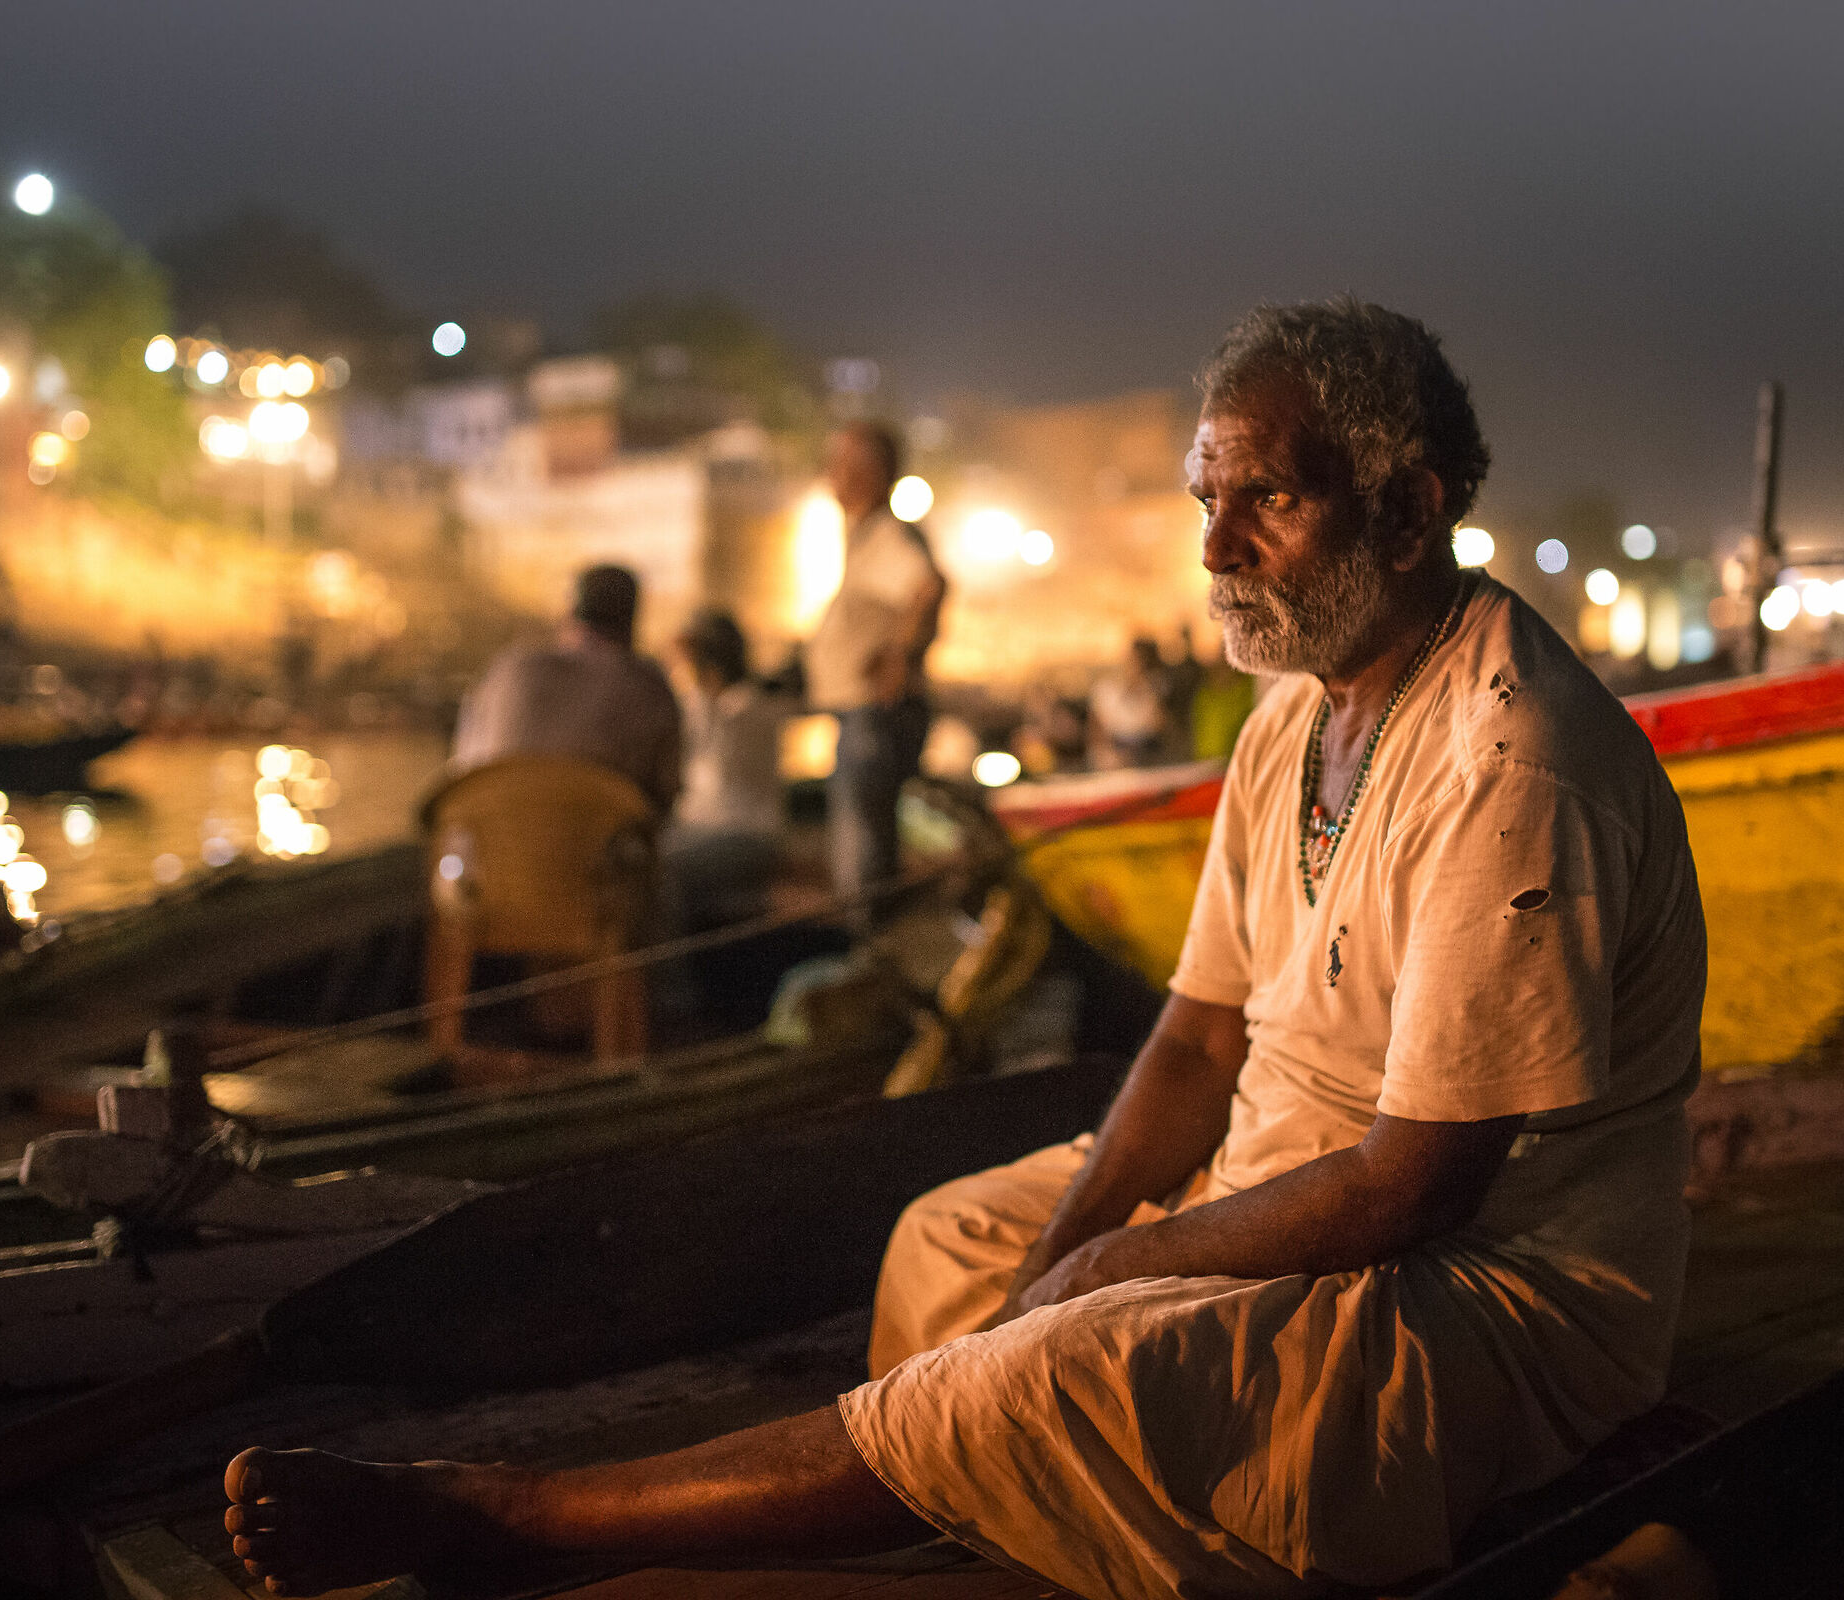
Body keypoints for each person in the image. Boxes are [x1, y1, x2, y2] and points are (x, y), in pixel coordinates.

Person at [220, 299, 1706, 1600]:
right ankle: (991, 1509)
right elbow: (1195, 1041)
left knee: (1058, 1352)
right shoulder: (1293, 718)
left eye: (1267, 502)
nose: (1213, 548)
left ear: (1406, 506)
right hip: (1276, 1186)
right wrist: (1074, 1247)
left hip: (1487, 1298)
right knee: (951, 1244)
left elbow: (1418, 1184)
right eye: (1208, 497)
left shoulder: (1516, 758)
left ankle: (514, 1517)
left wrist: (1123, 1264)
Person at [803, 422, 944, 915]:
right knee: (864, 853)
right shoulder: (863, 537)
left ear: (867, 473)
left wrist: (898, 658)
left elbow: (928, 588)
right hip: (864, 717)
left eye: (839, 464)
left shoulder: (885, 535)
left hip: (873, 719)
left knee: (863, 865)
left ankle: (869, 964)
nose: (829, 475)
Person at [448, 564, 681, 818]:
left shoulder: (505, 670)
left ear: (568, 615)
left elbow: (461, 768)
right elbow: (665, 796)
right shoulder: (648, 686)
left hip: (493, 846)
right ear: (632, 623)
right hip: (596, 851)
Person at [663, 606, 790, 931]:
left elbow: (717, 757)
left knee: (659, 869)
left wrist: (697, 689)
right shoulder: (708, 705)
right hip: (700, 831)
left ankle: (676, 981)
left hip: (742, 834)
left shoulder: (750, 708)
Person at [1087, 634, 1170, 768]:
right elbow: (1097, 730)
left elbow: (1159, 725)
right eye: (1135, 660)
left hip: (1147, 754)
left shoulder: (1153, 689)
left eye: (1144, 662)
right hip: (1116, 756)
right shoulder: (1106, 690)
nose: (1138, 666)